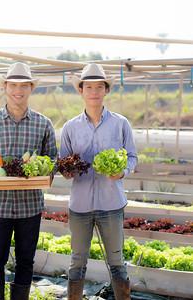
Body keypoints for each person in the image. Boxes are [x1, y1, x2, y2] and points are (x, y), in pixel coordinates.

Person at [0, 62, 57, 300]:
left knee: (26, 261)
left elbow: (52, 158)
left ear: (31, 88)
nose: (18, 90)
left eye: (23, 85)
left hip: (30, 205)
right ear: (5, 87)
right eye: (13, 85)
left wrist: (47, 173)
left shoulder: (43, 123)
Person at [60, 63, 138, 300]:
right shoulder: (70, 127)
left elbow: (132, 157)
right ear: (81, 91)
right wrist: (66, 171)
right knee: (77, 263)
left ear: (106, 90)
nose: (94, 91)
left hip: (111, 205)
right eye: (89, 87)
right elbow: (62, 162)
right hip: (80, 207)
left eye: (99, 87)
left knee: (117, 262)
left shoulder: (120, 123)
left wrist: (122, 171)